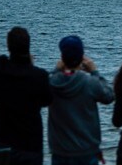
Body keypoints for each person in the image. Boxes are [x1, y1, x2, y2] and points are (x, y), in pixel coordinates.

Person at [0, 0, 52, 165]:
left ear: (8, 47)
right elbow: (47, 100)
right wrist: (30, 66)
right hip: (30, 145)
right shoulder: (38, 76)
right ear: (28, 47)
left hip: (3, 143)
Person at [48, 35, 114, 165]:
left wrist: (56, 70)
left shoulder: (52, 83)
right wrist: (95, 72)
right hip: (87, 150)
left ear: (62, 57)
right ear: (82, 57)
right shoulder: (90, 82)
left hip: (60, 151)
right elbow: (109, 96)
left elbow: (40, 88)